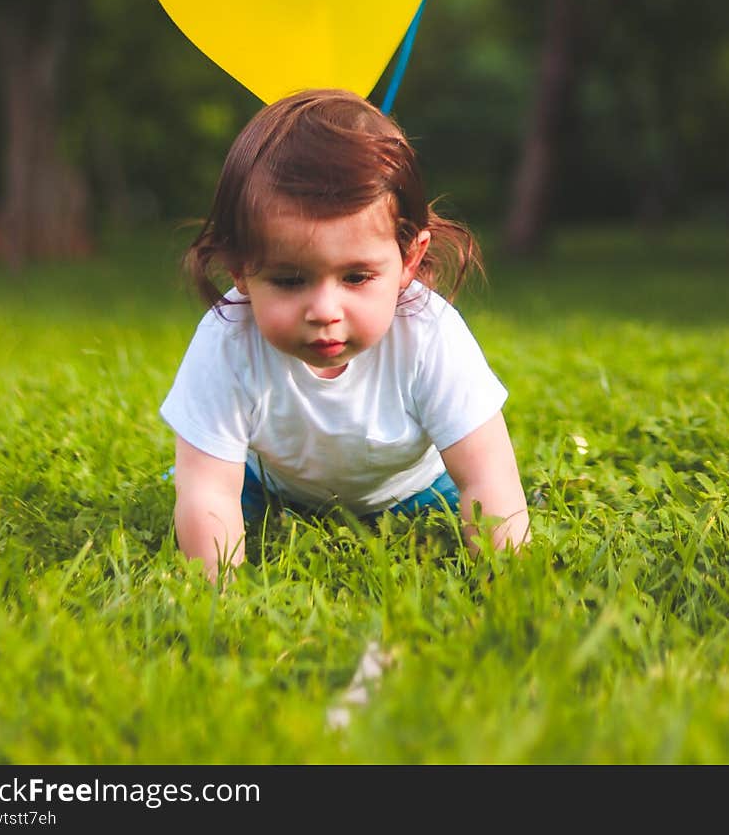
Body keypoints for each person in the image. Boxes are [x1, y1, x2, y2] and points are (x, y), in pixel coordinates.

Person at [160, 88, 529, 583]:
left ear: (408, 260)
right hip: (272, 488)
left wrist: (509, 585)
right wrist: (215, 601)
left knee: (462, 499)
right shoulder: (228, 340)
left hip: (413, 493)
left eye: (356, 277)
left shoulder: (428, 334)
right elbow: (210, 490)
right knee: (196, 489)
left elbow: (487, 475)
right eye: (290, 281)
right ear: (241, 271)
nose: (325, 311)